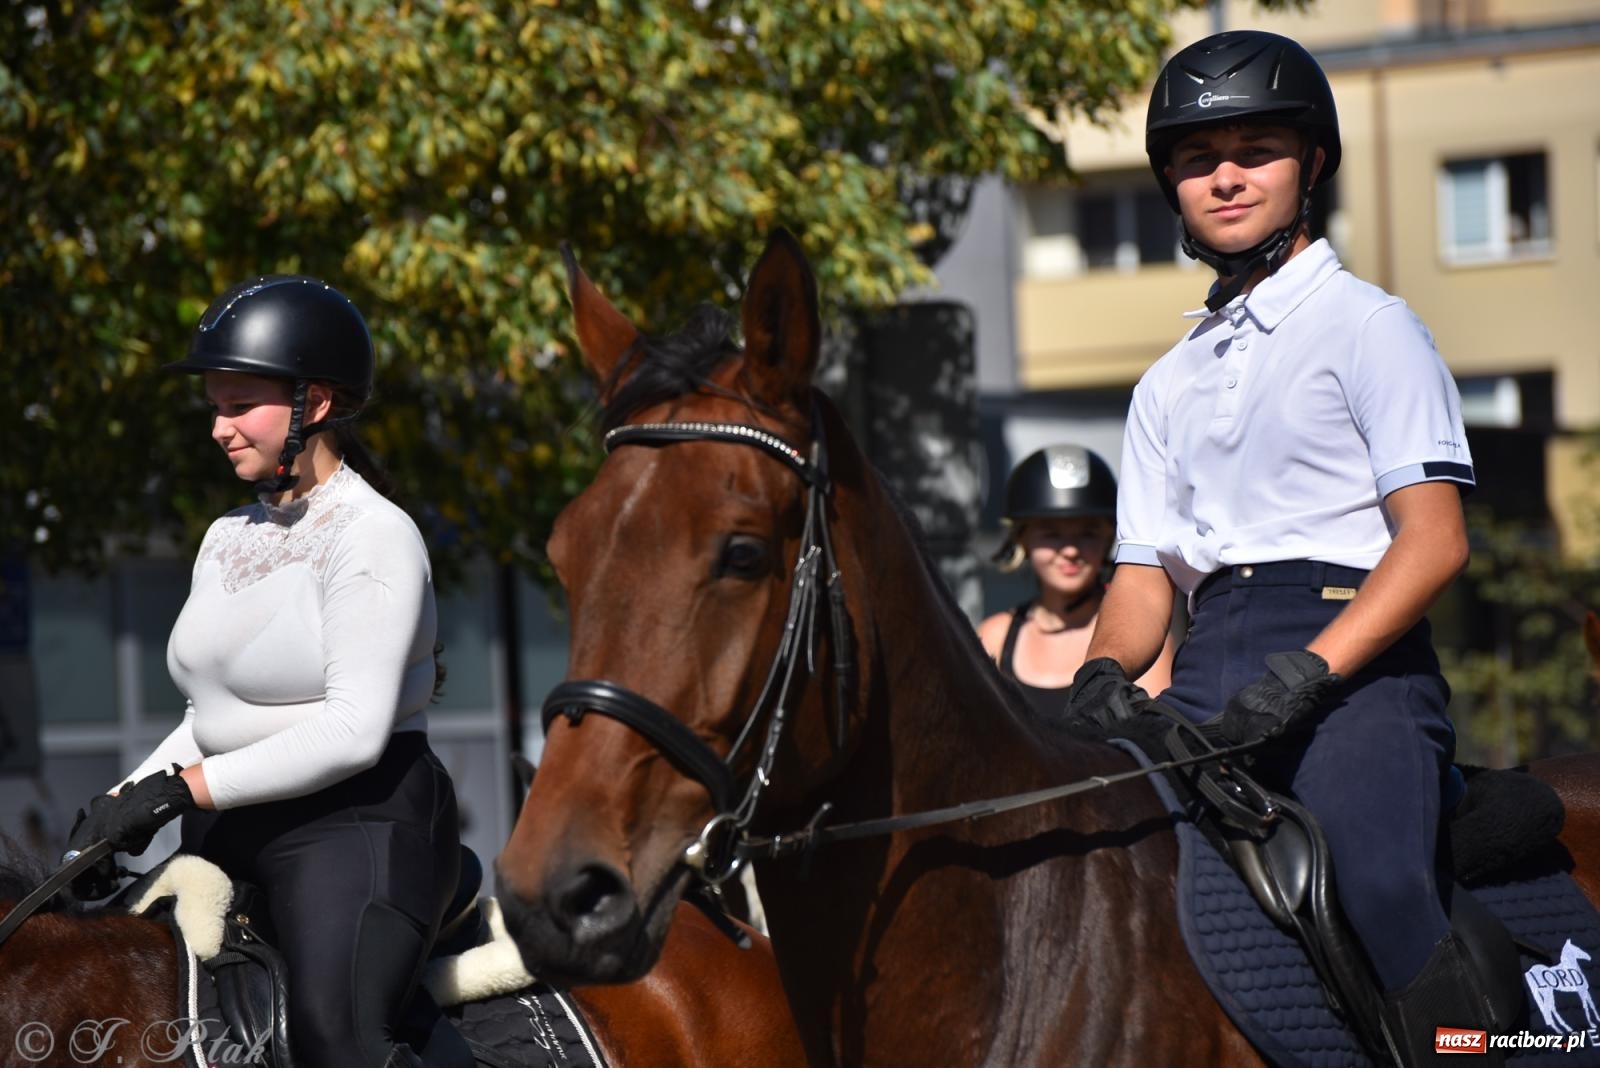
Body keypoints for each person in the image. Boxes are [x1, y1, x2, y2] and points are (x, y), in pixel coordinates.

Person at [1061, 30, 1485, 1066]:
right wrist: (1104, 673)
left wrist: (1310, 673)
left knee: (1378, 879)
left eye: (1255, 152)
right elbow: (1144, 576)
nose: (1226, 178)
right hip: (1210, 671)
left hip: (1355, 674)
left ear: (1313, 164)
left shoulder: (1371, 327)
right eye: (1199, 160)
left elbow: (1434, 543)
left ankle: (1478, 1046)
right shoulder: (1166, 382)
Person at [66, 276, 470, 1068]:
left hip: (355, 824)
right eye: (214, 407)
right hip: (228, 826)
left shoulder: (374, 534)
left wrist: (182, 791)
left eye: (239, 405)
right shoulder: (225, 535)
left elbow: (352, 732)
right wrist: (120, 806)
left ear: (316, 404)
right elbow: (208, 716)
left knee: (338, 1038)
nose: (219, 428)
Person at [978, 445, 1171, 717]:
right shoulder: (994, 636)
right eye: (1051, 534)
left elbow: (1155, 733)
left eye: (1088, 533)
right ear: (1022, 538)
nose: (1070, 550)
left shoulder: (1139, 633)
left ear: (1108, 538)